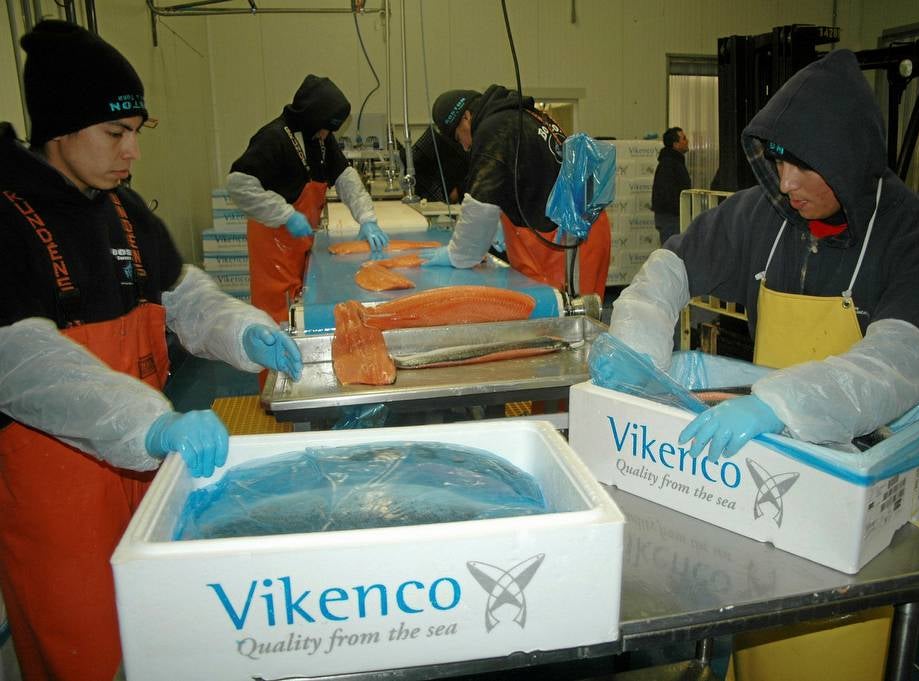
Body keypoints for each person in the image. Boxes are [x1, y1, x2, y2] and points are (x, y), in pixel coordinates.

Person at [0, 21, 303, 681]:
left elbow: (183, 295)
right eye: (116, 133)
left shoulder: (123, 209)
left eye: (138, 131)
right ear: (60, 129)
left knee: (159, 639)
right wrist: (150, 423)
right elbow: (25, 366)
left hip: (148, 478)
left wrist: (242, 329)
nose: (132, 151)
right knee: (84, 653)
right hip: (60, 507)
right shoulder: (8, 219)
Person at [607, 48, 919, 461]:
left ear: (849, 163)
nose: (785, 184)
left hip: (863, 458)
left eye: (804, 167)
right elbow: (670, 270)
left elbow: (894, 365)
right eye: (779, 162)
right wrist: (635, 348)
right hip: (767, 447)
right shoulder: (757, 216)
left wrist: (782, 407)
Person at [227, 74, 387, 325]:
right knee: (277, 316)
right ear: (312, 116)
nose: (327, 134)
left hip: (301, 244)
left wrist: (367, 218)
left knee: (303, 311)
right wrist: (286, 215)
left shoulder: (320, 139)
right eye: (326, 127)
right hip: (273, 248)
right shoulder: (274, 137)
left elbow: (345, 178)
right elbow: (239, 184)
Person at [424, 86, 612, 298]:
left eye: (459, 138)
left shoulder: (494, 129)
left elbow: (480, 206)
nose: (466, 147)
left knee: (569, 310)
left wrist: (459, 254)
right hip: (582, 227)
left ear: (466, 117)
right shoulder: (525, 115)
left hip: (570, 239)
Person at [651, 126, 692, 244]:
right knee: (672, 251)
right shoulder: (669, 164)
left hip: (672, 217)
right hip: (671, 218)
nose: (687, 141)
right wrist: (680, 210)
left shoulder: (673, 162)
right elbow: (667, 193)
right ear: (675, 144)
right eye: (684, 138)